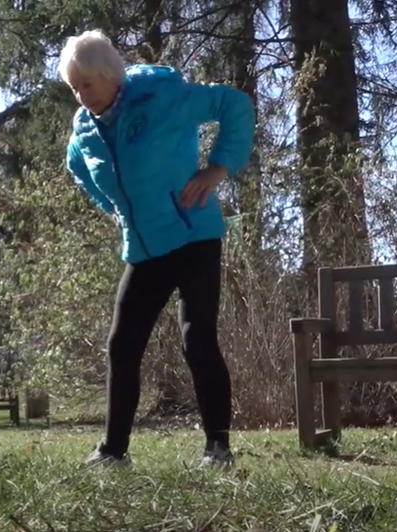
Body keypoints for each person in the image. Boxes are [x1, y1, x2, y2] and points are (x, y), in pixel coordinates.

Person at [60, 30, 255, 468]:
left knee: (196, 339)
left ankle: (218, 449)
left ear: (109, 75)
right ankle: (113, 453)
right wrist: (112, 206)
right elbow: (78, 165)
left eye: (87, 84)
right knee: (122, 345)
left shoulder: (162, 97)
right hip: (144, 249)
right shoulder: (85, 128)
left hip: (193, 235)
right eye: (74, 87)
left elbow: (234, 105)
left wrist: (217, 169)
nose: (81, 95)